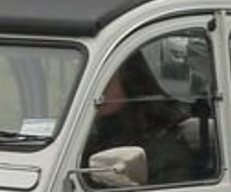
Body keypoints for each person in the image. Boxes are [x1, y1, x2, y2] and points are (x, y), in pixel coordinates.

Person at [83, 51, 204, 185]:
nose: (95, 91)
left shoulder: (163, 148)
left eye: (105, 81)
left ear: (130, 83)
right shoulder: (94, 132)